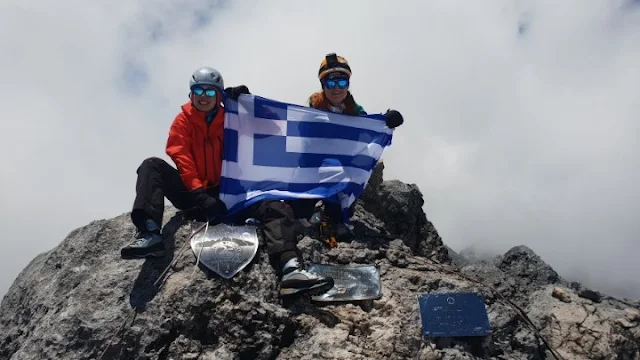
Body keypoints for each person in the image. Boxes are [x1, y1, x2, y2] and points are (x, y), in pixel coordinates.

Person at [121, 66, 334, 297]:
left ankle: (290, 268)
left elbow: (273, 128)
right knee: (152, 166)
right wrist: (198, 193)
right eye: (198, 91)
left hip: (231, 192)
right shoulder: (182, 121)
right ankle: (150, 233)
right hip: (195, 195)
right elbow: (180, 155)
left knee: (275, 206)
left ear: (220, 95)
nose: (203, 97)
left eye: (210, 92)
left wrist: (249, 104)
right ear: (190, 94)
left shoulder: (234, 118)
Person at [302, 53, 405, 231]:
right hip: (310, 169)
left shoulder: (355, 112)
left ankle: (334, 216)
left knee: (340, 211)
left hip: (342, 171)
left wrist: (386, 121)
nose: (336, 89)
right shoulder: (312, 110)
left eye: (342, 83)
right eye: (330, 83)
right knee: (299, 212)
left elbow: (368, 132)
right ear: (322, 85)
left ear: (348, 85)